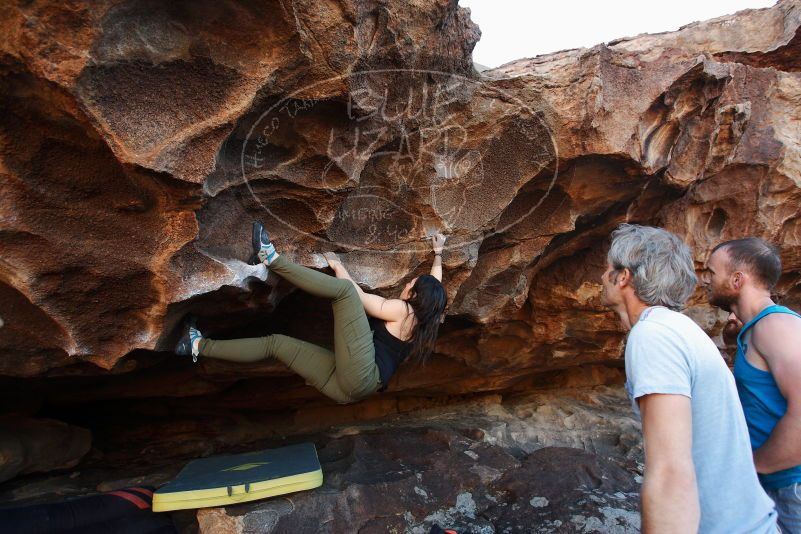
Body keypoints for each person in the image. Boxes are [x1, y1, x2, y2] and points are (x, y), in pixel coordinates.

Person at [600, 224, 777, 533]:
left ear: (624, 276)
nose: (602, 277)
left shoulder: (653, 336)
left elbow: (671, 472)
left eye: (607, 269)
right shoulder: (677, 328)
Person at [175, 222, 448, 404]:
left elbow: (359, 298)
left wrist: (339, 267)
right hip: (349, 391)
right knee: (276, 344)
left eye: (412, 284)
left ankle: (271, 259)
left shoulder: (403, 310)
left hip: (361, 374)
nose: (408, 284)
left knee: (344, 292)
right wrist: (439, 254)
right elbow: (436, 286)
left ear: (415, 296)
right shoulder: (426, 321)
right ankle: (197, 345)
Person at [704, 237, 801, 533]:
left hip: (791, 487)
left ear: (736, 279)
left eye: (711, 272)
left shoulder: (775, 327)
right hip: (777, 485)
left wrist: (753, 466)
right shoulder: (755, 330)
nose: (705, 280)